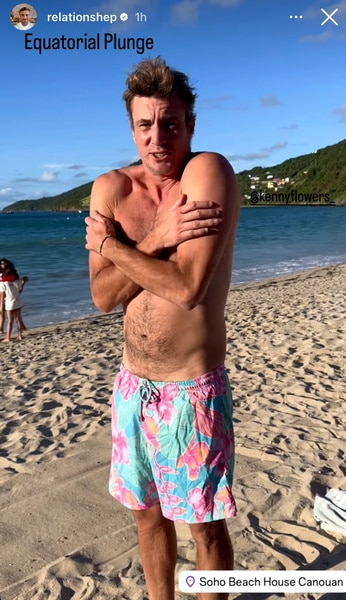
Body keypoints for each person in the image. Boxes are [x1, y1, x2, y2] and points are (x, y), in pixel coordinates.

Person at [85, 57, 240, 600]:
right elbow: (103, 297)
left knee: (203, 526)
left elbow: (187, 286)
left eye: (170, 124)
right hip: (133, 388)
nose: (158, 139)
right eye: (145, 125)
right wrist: (148, 241)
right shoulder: (110, 190)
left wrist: (112, 249)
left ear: (190, 125)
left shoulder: (207, 173)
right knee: (147, 516)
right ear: (131, 128)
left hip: (191, 391)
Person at [0, 259, 28, 342]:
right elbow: (20, 290)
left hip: (9, 302)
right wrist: (23, 283)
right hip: (18, 301)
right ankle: (20, 336)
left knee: (10, 321)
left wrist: (1, 305)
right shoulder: (17, 281)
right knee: (18, 319)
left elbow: (2, 295)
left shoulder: (2, 283)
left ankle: (8, 337)